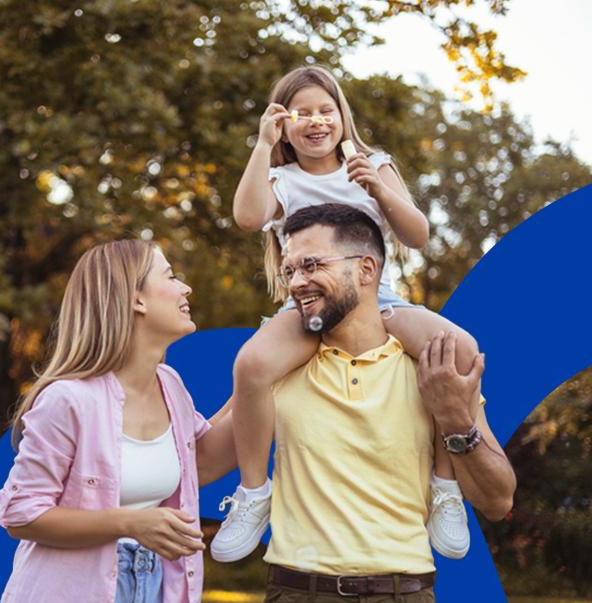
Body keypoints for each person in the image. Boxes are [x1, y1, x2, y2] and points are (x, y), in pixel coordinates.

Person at [211, 65, 480, 563]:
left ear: (341, 116)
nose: (315, 121)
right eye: (301, 113)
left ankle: (444, 487)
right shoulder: (281, 178)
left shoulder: (372, 163)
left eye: (325, 110)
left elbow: (417, 234)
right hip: (307, 306)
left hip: (380, 304)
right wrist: (260, 146)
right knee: (250, 365)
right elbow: (248, 218)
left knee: (459, 351)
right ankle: (252, 493)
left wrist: (377, 189)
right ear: (284, 125)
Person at [262, 204, 516, 601]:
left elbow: (498, 500)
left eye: (311, 265)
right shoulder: (276, 366)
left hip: (404, 593)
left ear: (366, 269)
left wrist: (452, 415)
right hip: (298, 592)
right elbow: (200, 457)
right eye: (290, 270)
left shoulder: (432, 368)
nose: (297, 282)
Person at [0, 240, 236, 603]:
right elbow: (20, 514)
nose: (185, 288)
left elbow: (201, 462)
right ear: (137, 300)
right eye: (170, 275)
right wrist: (131, 523)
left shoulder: (170, 385)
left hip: (155, 582)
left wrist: (263, 376)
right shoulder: (68, 400)